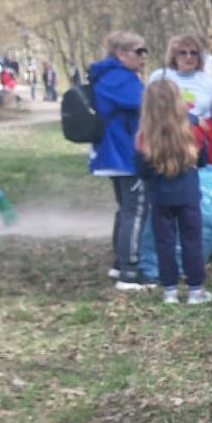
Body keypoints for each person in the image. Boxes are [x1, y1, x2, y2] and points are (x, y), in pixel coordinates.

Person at [135, 79, 212, 305]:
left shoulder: (144, 137)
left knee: (164, 242)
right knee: (192, 241)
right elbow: (204, 160)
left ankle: (169, 290)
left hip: (160, 197)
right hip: (188, 195)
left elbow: (141, 170)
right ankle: (195, 290)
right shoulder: (193, 131)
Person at [89, 31, 152, 289]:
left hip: (116, 152)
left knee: (126, 208)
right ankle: (130, 271)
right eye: (139, 51)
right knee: (135, 210)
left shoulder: (111, 76)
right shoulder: (119, 79)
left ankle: (120, 263)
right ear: (121, 54)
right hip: (124, 153)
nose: (144, 57)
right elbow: (150, 104)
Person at [147, 34, 212, 133]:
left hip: (199, 139)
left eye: (194, 53)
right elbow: (150, 109)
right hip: (165, 136)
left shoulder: (209, 83)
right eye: (183, 53)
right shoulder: (159, 77)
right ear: (174, 56)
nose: (189, 57)